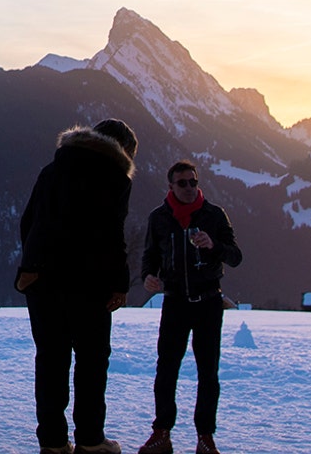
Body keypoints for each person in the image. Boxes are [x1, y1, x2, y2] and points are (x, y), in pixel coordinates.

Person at [17, 119, 137, 454]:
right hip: (89, 282)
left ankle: (53, 442)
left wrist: (32, 266)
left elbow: (27, 222)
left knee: (51, 360)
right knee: (92, 361)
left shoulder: (51, 169)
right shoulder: (114, 176)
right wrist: (120, 283)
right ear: (122, 150)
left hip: (42, 281)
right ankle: (90, 439)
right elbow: (113, 234)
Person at [136, 161, 241, 454]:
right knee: (166, 369)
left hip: (209, 302)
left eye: (192, 182)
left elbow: (235, 256)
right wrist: (148, 277)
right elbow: (150, 256)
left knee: (208, 372)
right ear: (170, 186)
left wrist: (214, 246)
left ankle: (205, 437)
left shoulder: (214, 215)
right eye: (182, 183)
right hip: (175, 302)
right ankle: (161, 433)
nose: (189, 187)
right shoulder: (159, 218)